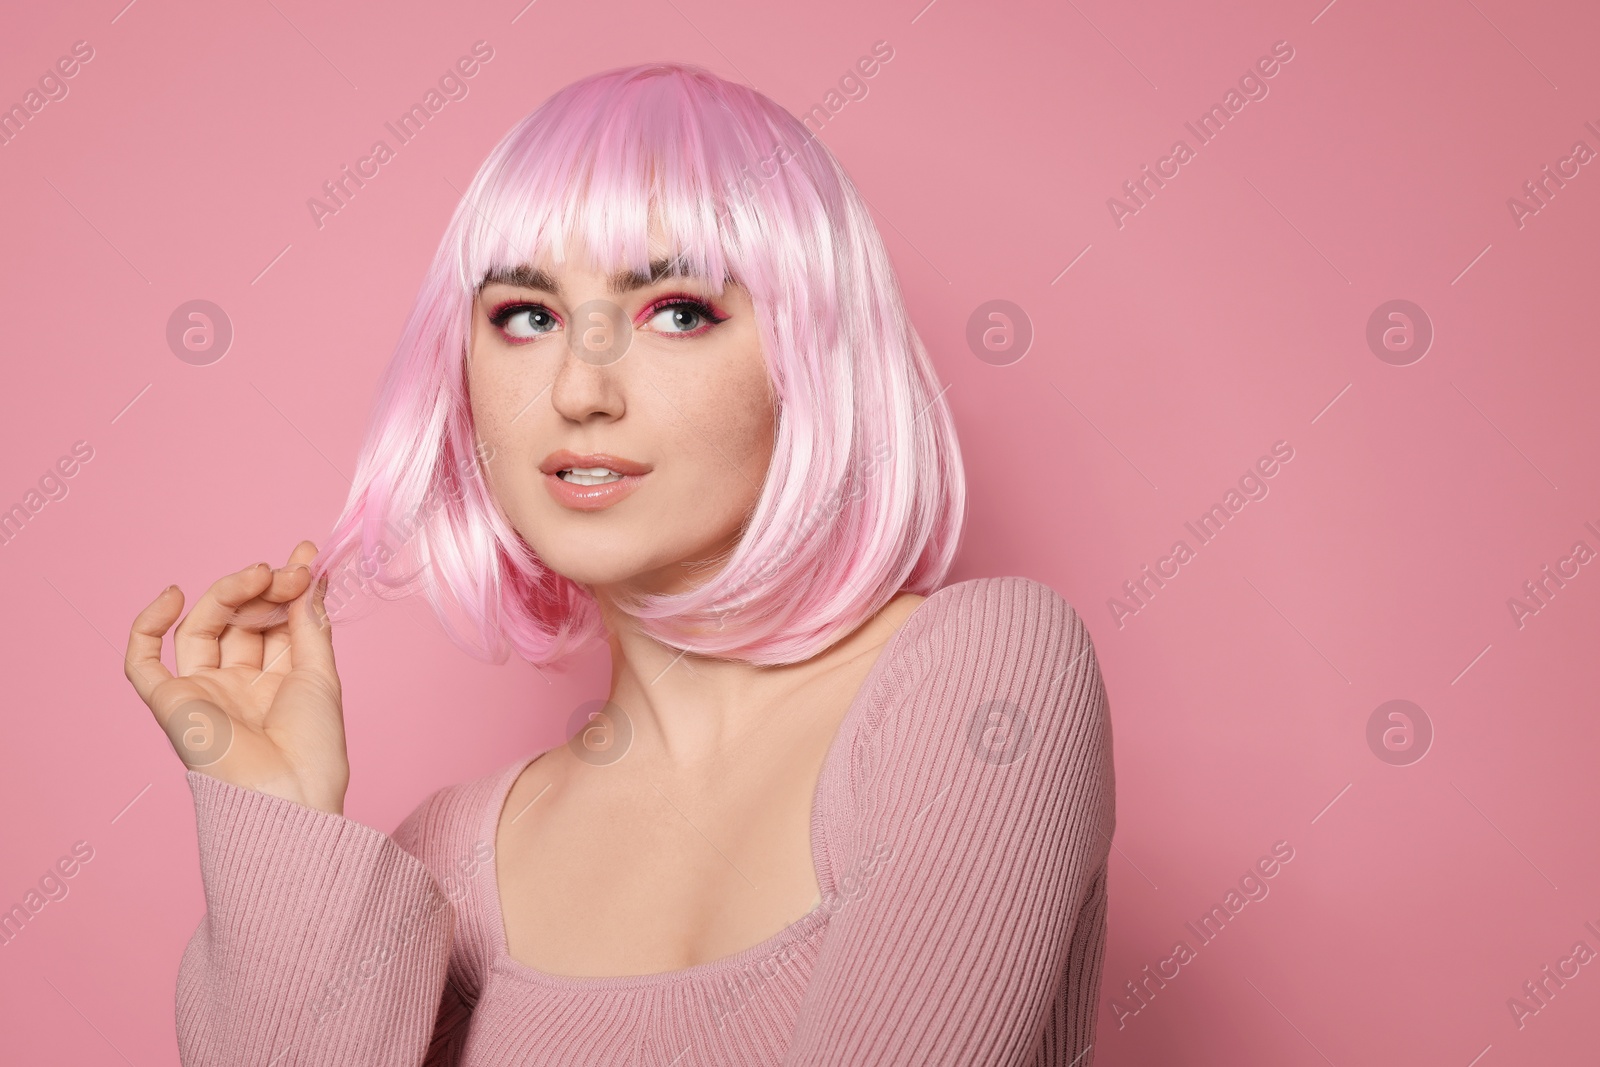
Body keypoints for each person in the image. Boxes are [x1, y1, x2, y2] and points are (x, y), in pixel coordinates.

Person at [123, 61, 1115, 1066]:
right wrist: (281, 819)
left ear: (809, 362)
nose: (579, 387)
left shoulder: (981, 676)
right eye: (526, 315)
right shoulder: (451, 863)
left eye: (677, 309)